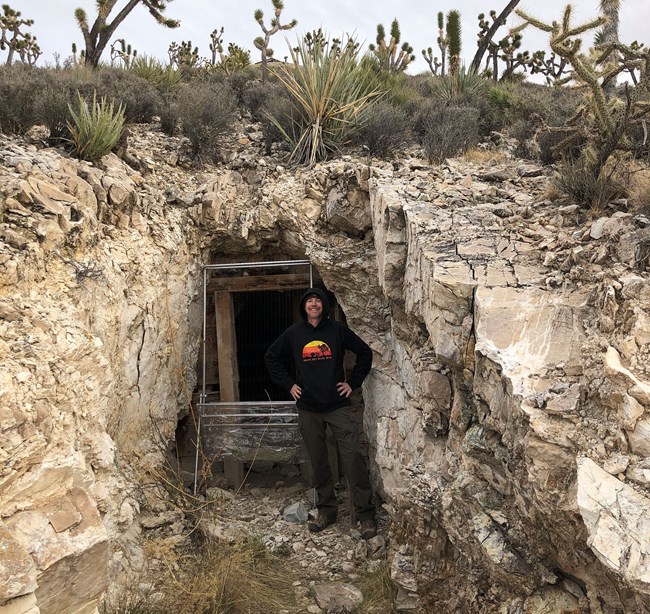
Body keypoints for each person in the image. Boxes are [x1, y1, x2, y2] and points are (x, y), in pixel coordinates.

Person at [264, 287, 377, 539]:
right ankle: (327, 510)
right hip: (308, 408)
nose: (314, 304)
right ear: (304, 307)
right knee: (318, 462)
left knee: (353, 459)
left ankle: (366, 515)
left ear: (324, 306)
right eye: (310, 301)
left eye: (318, 301)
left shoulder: (337, 330)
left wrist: (353, 383)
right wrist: (289, 385)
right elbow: (271, 357)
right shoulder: (294, 333)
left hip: (338, 406)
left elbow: (365, 353)